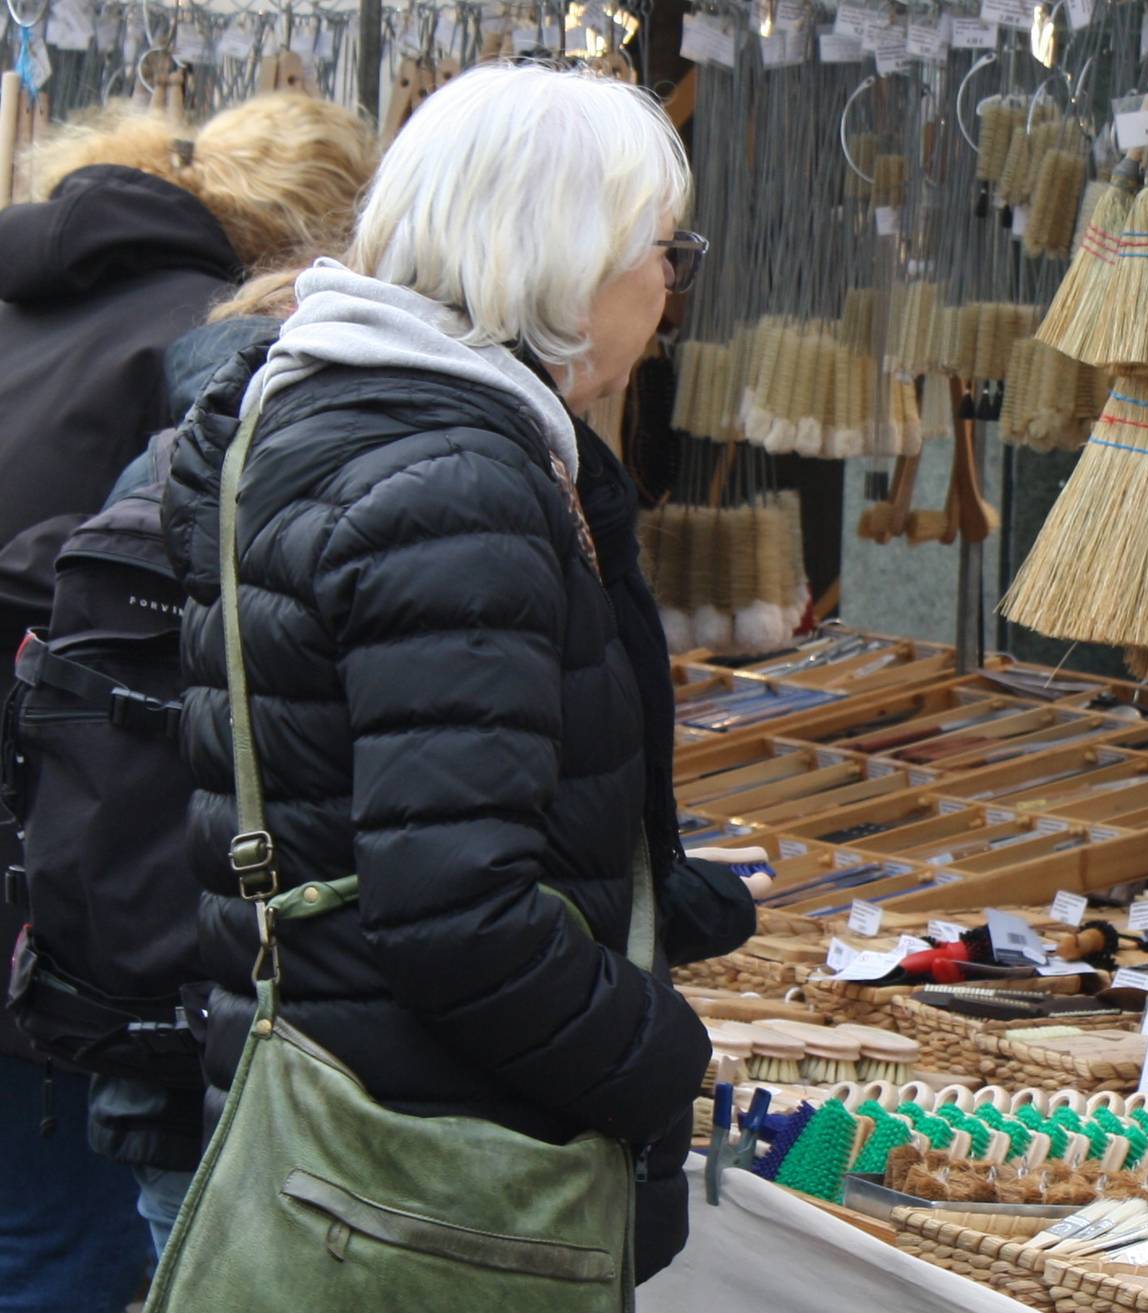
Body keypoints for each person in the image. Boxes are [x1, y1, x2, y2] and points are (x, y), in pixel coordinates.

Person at [161, 64, 712, 1282]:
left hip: (346, 1118)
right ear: (566, 256)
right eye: (664, 251)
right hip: (434, 1165)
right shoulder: (456, 484)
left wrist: (658, 893)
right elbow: (457, 913)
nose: (670, 290)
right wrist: (663, 1052)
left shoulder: (318, 419)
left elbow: (383, 796)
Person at [0, 96, 372, 1313]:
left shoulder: (23, 305)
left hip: (35, 833)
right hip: (55, 868)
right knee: (65, 1234)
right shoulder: (207, 355)